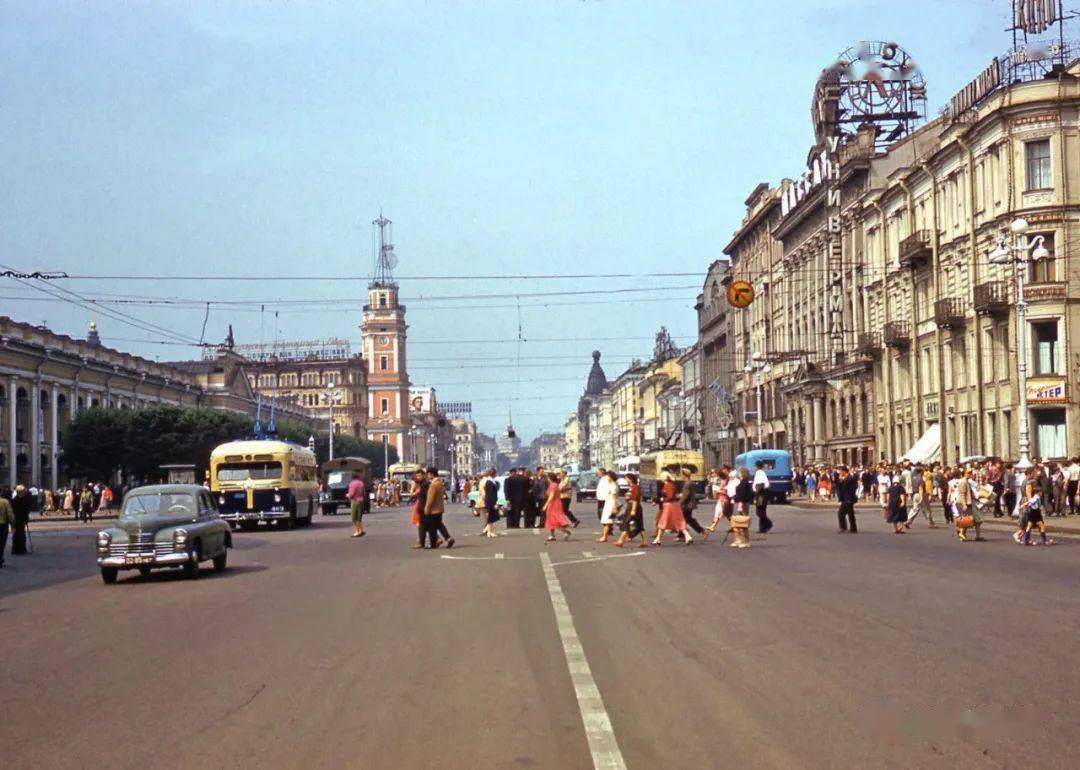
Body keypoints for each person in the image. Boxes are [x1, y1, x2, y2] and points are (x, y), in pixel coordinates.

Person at [653, 472, 693, 545]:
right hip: (674, 505)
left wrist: (663, 499)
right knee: (678, 521)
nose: (660, 479)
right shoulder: (671, 484)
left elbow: (670, 496)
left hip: (669, 505)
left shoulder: (667, 485)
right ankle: (688, 536)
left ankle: (658, 539)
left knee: (663, 521)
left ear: (664, 478)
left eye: (661, 477)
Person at [613, 473, 647, 548]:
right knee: (639, 525)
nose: (626, 480)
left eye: (627, 478)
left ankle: (621, 540)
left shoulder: (635, 487)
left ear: (630, 479)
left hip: (634, 507)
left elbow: (635, 499)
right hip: (631, 506)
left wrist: (633, 510)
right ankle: (644, 541)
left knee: (627, 523)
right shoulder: (631, 487)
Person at [422, 467, 452, 549]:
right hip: (440, 508)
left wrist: (426, 508)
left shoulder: (433, 485)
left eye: (428, 474)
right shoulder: (440, 483)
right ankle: (448, 538)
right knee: (439, 525)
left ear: (431, 474)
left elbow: (430, 499)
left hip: (433, 509)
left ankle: (433, 544)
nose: (428, 476)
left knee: (431, 527)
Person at [1017, 480, 1051, 545]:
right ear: (1038, 492)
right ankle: (1045, 541)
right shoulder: (1036, 498)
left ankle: (1025, 540)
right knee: (1041, 526)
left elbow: (1030, 504)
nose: (1042, 493)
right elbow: (1030, 502)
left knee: (1029, 526)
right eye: (1041, 492)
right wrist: (1022, 506)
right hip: (1035, 513)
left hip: (1033, 512)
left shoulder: (1037, 497)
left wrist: (1026, 506)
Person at [542, 471, 572, 542]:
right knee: (550, 519)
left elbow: (551, 496)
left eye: (547, 478)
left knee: (555, 519)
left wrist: (546, 505)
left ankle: (566, 532)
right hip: (555, 503)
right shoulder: (554, 485)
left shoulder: (553, 485)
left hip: (554, 504)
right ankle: (552, 535)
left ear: (549, 478)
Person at [678, 468, 706, 536]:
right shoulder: (690, 482)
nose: (680, 475)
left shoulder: (687, 484)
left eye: (681, 474)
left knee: (687, 519)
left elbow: (686, 495)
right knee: (685, 519)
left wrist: (679, 503)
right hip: (690, 504)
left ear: (684, 475)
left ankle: (701, 530)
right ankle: (682, 534)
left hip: (687, 505)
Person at [597, 470, 620, 542]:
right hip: (608, 503)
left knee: (608, 520)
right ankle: (605, 536)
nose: (607, 478)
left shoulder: (613, 485)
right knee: (609, 521)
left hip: (611, 504)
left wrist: (615, 507)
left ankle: (605, 536)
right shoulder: (611, 484)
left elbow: (614, 497)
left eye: (608, 477)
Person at [836, 465, 859, 533]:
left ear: (844, 471)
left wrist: (850, 498)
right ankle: (853, 528)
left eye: (840, 471)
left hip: (848, 499)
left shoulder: (850, 478)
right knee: (850, 513)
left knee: (840, 513)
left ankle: (843, 527)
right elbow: (840, 488)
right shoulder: (844, 478)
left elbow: (853, 488)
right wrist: (840, 481)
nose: (839, 472)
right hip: (846, 498)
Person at [752, 461, 773, 533]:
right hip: (760, 493)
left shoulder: (760, 473)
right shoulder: (759, 473)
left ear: (757, 466)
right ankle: (762, 528)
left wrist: (757, 490)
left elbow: (763, 484)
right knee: (762, 511)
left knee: (759, 511)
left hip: (761, 494)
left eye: (754, 466)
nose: (754, 467)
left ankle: (768, 523)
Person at [10, 485, 31, 555]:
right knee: (21, 534)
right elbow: (26, 511)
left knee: (16, 534)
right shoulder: (25, 501)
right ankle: (21, 549)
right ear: (22, 492)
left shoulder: (13, 500)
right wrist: (26, 519)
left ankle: (15, 549)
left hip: (16, 519)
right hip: (21, 520)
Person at [346, 471, 367, 538]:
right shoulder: (361, 483)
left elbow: (351, 494)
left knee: (354, 517)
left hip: (355, 501)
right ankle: (361, 530)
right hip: (361, 501)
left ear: (352, 477)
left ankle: (357, 531)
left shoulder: (352, 484)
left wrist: (347, 495)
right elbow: (364, 493)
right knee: (359, 517)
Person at [482, 468, 500, 539]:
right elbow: (490, 494)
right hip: (491, 502)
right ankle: (489, 532)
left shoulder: (491, 481)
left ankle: (488, 530)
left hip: (491, 501)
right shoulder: (489, 482)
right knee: (491, 517)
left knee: (492, 517)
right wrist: (493, 503)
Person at [0, 491, 14, 567]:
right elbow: (10, 514)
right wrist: (12, 525)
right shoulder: (5, 502)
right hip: (2, 525)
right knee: (1, 543)